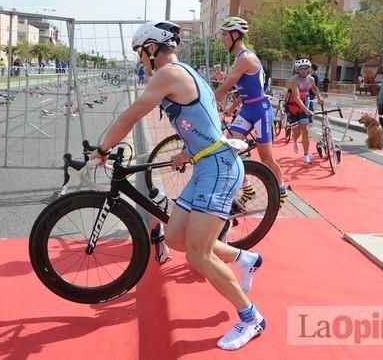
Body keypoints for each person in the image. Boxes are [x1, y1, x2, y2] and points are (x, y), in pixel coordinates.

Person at [91, 21, 266, 350]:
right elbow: (205, 117)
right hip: (206, 164)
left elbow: (131, 116)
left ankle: (251, 318)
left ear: (152, 48)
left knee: (198, 255)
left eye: (141, 54)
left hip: (218, 168)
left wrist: (102, 150)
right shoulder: (184, 71)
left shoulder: (167, 73)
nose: (141, 61)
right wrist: (188, 149)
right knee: (175, 237)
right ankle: (244, 259)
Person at [213, 16, 288, 205]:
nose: (222, 38)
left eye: (224, 34)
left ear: (235, 35)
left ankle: (281, 189)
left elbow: (224, 89)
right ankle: (247, 189)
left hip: (260, 111)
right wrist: (232, 107)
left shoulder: (245, 58)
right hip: (247, 109)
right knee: (229, 149)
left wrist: (203, 103)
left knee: (266, 158)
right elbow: (243, 88)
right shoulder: (239, 58)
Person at [286, 59, 323, 164]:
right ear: (298, 70)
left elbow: (315, 89)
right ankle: (295, 140)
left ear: (309, 69)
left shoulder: (311, 79)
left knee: (305, 131)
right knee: (296, 133)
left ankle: (306, 155)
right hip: (292, 107)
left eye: (306, 68)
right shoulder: (295, 80)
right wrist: (307, 110)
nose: (303, 71)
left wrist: (319, 98)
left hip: (303, 106)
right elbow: (297, 97)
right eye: (301, 69)